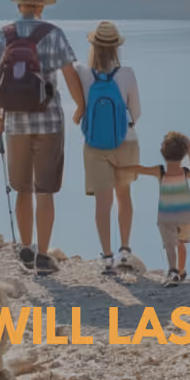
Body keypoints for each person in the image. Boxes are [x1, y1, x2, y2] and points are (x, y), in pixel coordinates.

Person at [0, 0, 85, 275]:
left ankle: (26, 249)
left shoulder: (3, 35)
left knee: (22, 189)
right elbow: (69, 74)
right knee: (45, 190)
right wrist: (80, 106)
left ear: (19, 5)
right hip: (49, 121)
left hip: (14, 123)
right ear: (41, 6)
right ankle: (43, 255)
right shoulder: (54, 34)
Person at [72, 21, 143, 274]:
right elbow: (136, 112)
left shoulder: (82, 71)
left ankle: (107, 257)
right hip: (127, 141)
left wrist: (80, 111)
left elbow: (65, 73)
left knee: (103, 202)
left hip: (94, 145)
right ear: (116, 47)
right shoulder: (128, 74)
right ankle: (125, 250)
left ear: (93, 44)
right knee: (124, 196)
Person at [119, 131, 190, 287]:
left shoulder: (160, 171)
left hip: (167, 214)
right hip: (186, 213)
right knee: (182, 243)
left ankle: (173, 271)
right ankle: (181, 271)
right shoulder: (184, 172)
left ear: (163, 151)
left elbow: (139, 169)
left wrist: (120, 167)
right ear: (183, 153)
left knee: (170, 244)